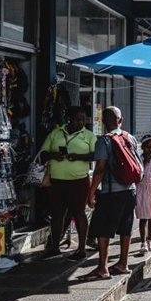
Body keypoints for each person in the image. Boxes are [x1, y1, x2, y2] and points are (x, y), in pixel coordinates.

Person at [80, 107, 141, 281]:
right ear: (120, 121)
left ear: (103, 122)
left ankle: (103, 267)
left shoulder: (103, 141)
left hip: (110, 192)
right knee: (126, 227)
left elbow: (99, 169)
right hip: (130, 191)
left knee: (103, 229)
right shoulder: (129, 137)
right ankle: (123, 263)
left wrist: (91, 192)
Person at [40, 106, 97, 261]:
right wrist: (54, 155)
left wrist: (79, 157)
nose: (81, 123)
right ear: (69, 119)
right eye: (77, 119)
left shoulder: (89, 136)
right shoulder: (55, 133)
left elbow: (96, 155)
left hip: (79, 181)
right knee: (57, 214)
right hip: (56, 181)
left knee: (79, 213)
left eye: (83, 120)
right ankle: (55, 248)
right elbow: (42, 153)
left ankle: (81, 249)